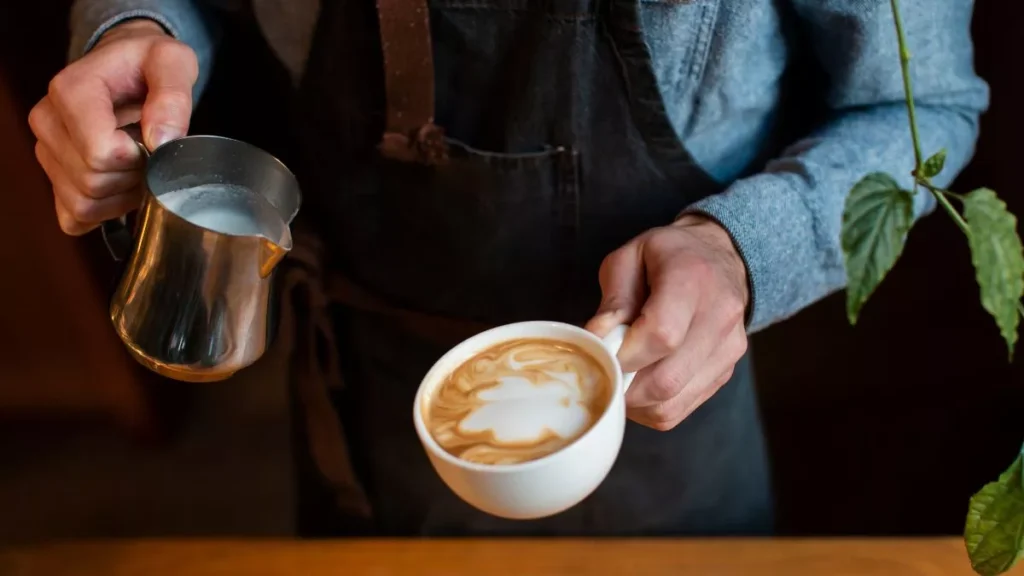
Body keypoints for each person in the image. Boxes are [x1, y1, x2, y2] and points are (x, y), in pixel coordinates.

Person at [29, 0, 987, 536]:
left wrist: (744, 250)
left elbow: (922, 109)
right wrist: (129, 30)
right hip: (361, 400)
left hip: (666, 412)